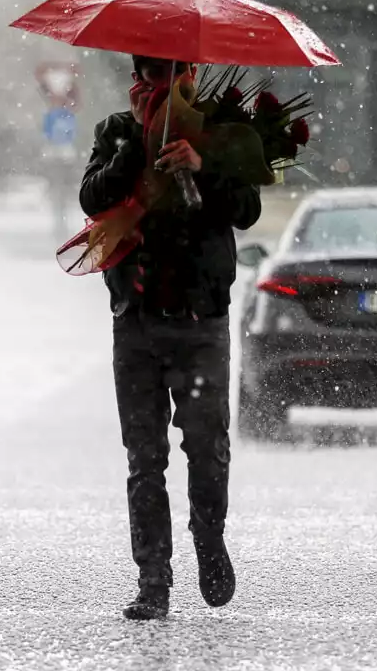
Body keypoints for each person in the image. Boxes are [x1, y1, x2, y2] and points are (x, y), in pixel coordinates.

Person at [80, 55, 262, 621]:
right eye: (150, 75)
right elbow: (92, 199)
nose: (160, 85)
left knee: (207, 448)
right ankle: (153, 579)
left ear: (190, 74)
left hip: (200, 320)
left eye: (171, 75)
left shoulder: (218, 131)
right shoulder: (115, 130)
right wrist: (135, 147)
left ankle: (209, 543)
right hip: (135, 319)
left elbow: (247, 209)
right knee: (145, 457)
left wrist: (202, 163)